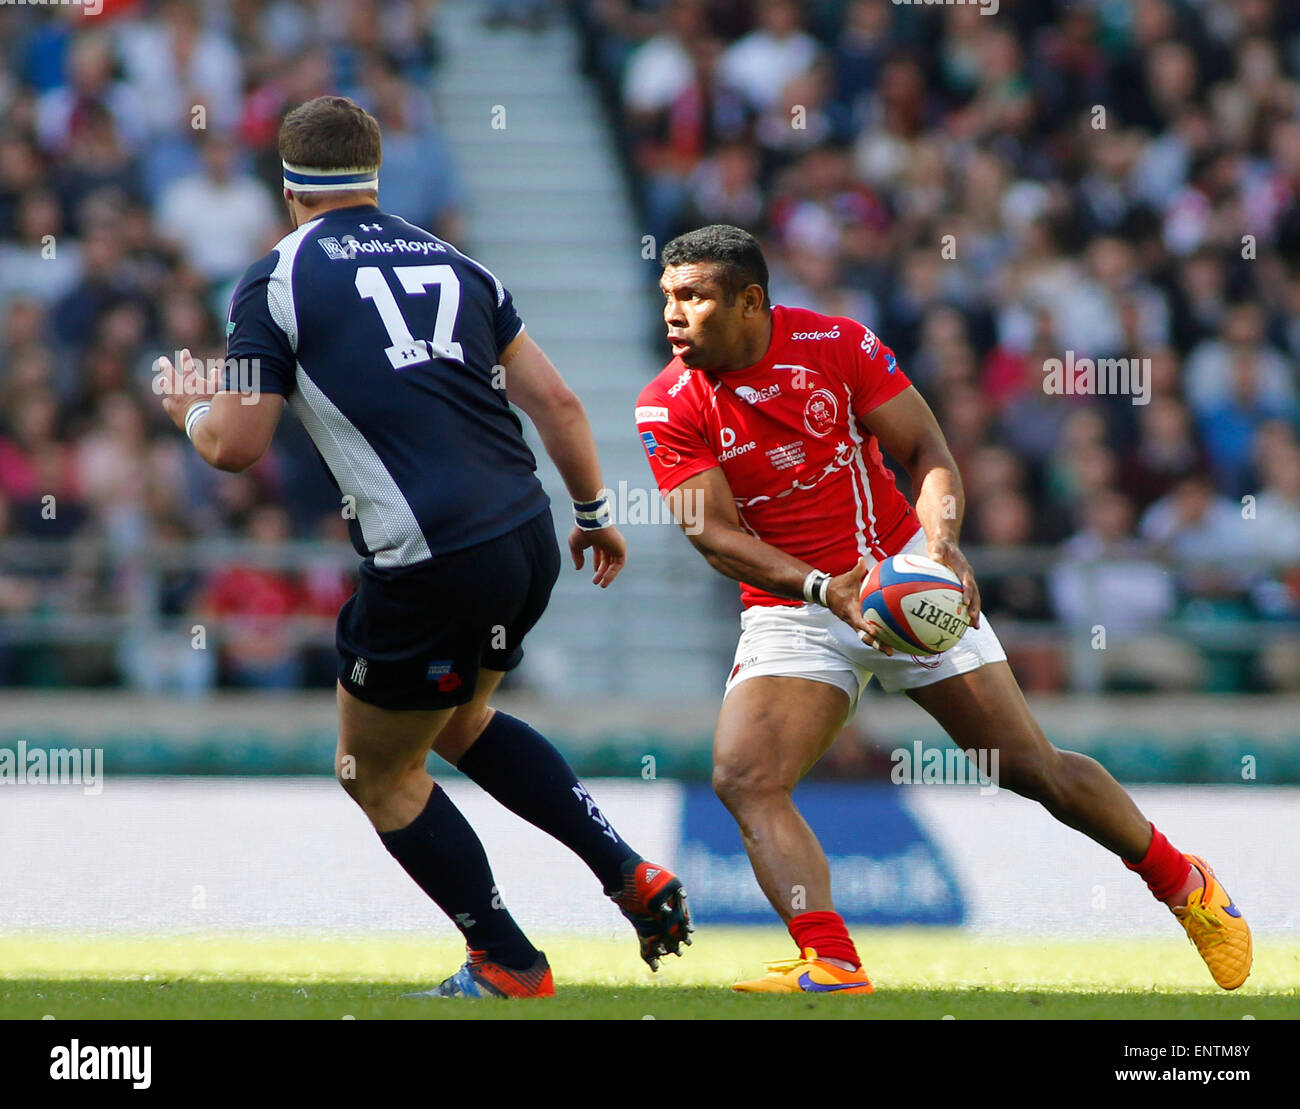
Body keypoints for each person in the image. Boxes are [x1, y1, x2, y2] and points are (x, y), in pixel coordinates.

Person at [156, 95, 690, 999]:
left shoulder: (273, 281)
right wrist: (597, 511)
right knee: (458, 722)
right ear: (375, 175)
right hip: (526, 535)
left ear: (289, 187)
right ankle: (627, 870)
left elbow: (237, 447)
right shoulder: (459, 265)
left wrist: (190, 410)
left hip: (431, 556)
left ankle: (509, 960)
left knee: (371, 769)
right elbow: (556, 403)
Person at [635, 224, 1249, 994]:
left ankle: (1184, 883)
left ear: (750, 301)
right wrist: (826, 589)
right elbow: (713, 534)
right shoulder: (667, 403)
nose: (674, 314)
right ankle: (832, 960)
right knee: (744, 775)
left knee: (1031, 768)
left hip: (900, 581)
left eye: (693, 297)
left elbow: (927, 451)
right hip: (796, 604)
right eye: (669, 297)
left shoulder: (837, 345)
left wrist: (943, 542)